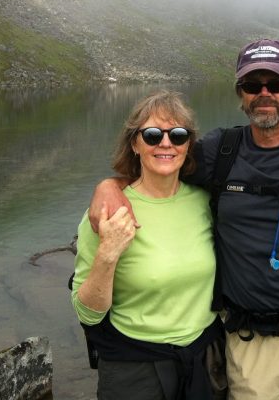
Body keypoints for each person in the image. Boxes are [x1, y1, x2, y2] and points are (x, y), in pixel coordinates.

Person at [90, 39, 279, 400]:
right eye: (253, 85)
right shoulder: (219, 153)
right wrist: (109, 185)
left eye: (276, 84)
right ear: (241, 94)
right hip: (248, 337)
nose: (264, 93)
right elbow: (161, 162)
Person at [71, 90, 226, 400]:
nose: (166, 143)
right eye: (153, 135)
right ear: (135, 144)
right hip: (134, 368)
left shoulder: (206, 201)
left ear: (188, 145)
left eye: (178, 135)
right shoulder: (108, 213)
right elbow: (87, 315)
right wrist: (108, 253)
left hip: (204, 360)